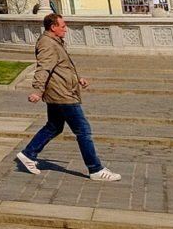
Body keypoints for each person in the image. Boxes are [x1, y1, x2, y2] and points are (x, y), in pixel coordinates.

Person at [14, 13, 121, 182]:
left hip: (60, 91)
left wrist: (78, 78)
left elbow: (62, 67)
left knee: (54, 126)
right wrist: (37, 91)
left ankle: (28, 154)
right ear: (53, 27)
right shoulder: (48, 44)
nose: (66, 29)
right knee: (83, 130)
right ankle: (95, 169)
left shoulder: (55, 41)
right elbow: (43, 68)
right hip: (62, 94)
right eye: (63, 26)